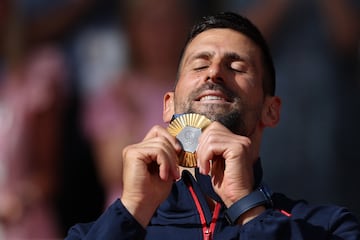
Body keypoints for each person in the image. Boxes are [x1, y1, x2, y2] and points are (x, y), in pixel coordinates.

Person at [65, 12, 360, 239]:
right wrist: (130, 212)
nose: (215, 72)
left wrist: (248, 208)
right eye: (200, 64)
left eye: (236, 67)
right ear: (168, 105)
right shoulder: (96, 232)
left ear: (271, 111)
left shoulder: (328, 227)